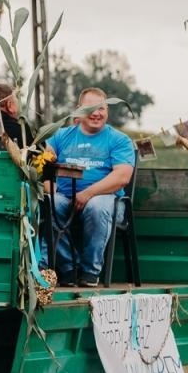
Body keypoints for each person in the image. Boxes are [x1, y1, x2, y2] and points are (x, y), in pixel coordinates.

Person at [45, 87, 136, 286]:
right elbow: (43, 165)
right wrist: (48, 186)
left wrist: (87, 194)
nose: (96, 113)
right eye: (90, 108)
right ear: (79, 110)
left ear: (107, 111)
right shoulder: (60, 136)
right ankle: (69, 268)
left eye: (101, 108)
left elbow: (122, 177)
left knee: (97, 206)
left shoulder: (119, 140)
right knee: (49, 203)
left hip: (107, 199)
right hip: (65, 196)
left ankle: (90, 271)